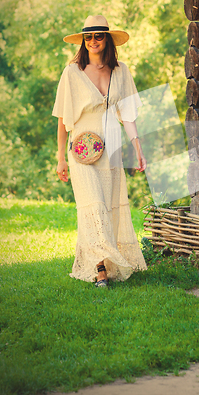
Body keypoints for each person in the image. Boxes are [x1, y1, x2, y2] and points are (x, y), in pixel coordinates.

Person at [53, 15, 147, 287]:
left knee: (107, 207)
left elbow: (127, 115)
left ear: (107, 39)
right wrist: (61, 157)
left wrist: (138, 148)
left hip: (112, 148)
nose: (93, 41)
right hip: (82, 149)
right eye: (88, 36)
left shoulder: (121, 71)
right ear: (83, 41)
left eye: (99, 35)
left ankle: (106, 263)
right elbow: (62, 117)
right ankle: (100, 271)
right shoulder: (72, 73)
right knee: (92, 205)